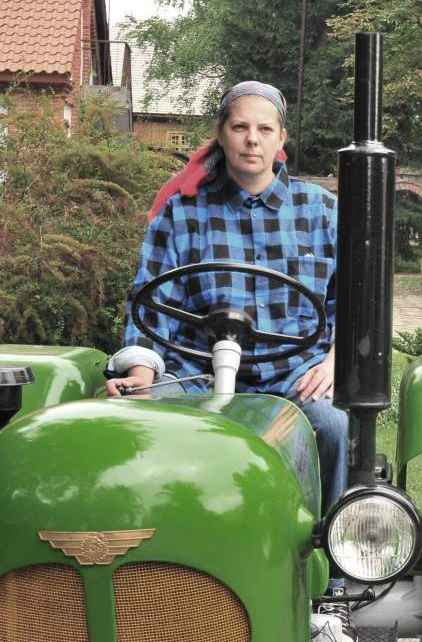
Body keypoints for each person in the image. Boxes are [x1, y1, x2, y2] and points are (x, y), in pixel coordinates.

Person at [103, 82, 352, 626]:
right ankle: (161, 575)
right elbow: (152, 305)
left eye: (264, 129)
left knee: (332, 425)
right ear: (221, 134)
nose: (251, 140)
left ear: (281, 139)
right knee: (137, 421)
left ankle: (330, 586)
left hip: (292, 373)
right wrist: (142, 370)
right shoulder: (182, 213)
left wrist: (333, 362)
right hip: (198, 371)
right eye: (240, 127)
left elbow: (351, 305)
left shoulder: (322, 211)